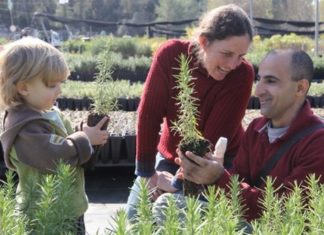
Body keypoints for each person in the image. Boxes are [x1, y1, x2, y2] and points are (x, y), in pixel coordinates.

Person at [154, 48, 324, 223]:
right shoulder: (256, 129)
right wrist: (199, 178)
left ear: (300, 88)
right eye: (259, 80)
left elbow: (286, 212)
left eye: (271, 81)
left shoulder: (317, 142)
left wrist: (218, 178)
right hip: (246, 221)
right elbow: (237, 184)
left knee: (168, 207)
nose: (258, 91)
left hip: (276, 226)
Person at [126, 4, 254, 219]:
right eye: (227, 54)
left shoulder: (242, 74)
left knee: (192, 220)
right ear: (204, 42)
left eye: (241, 55)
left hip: (217, 161)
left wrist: (174, 184)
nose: (233, 64)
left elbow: (210, 140)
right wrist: (149, 175)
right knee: (135, 216)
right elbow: (149, 115)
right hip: (169, 156)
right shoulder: (171, 55)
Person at [0, 37, 109, 234]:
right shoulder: (24, 127)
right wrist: (85, 138)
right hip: (46, 215)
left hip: (68, 208)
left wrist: (86, 136)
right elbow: (54, 156)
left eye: (60, 83)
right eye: (51, 85)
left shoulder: (49, 112)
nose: (59, 90)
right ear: (23, 87)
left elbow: (66, 141)